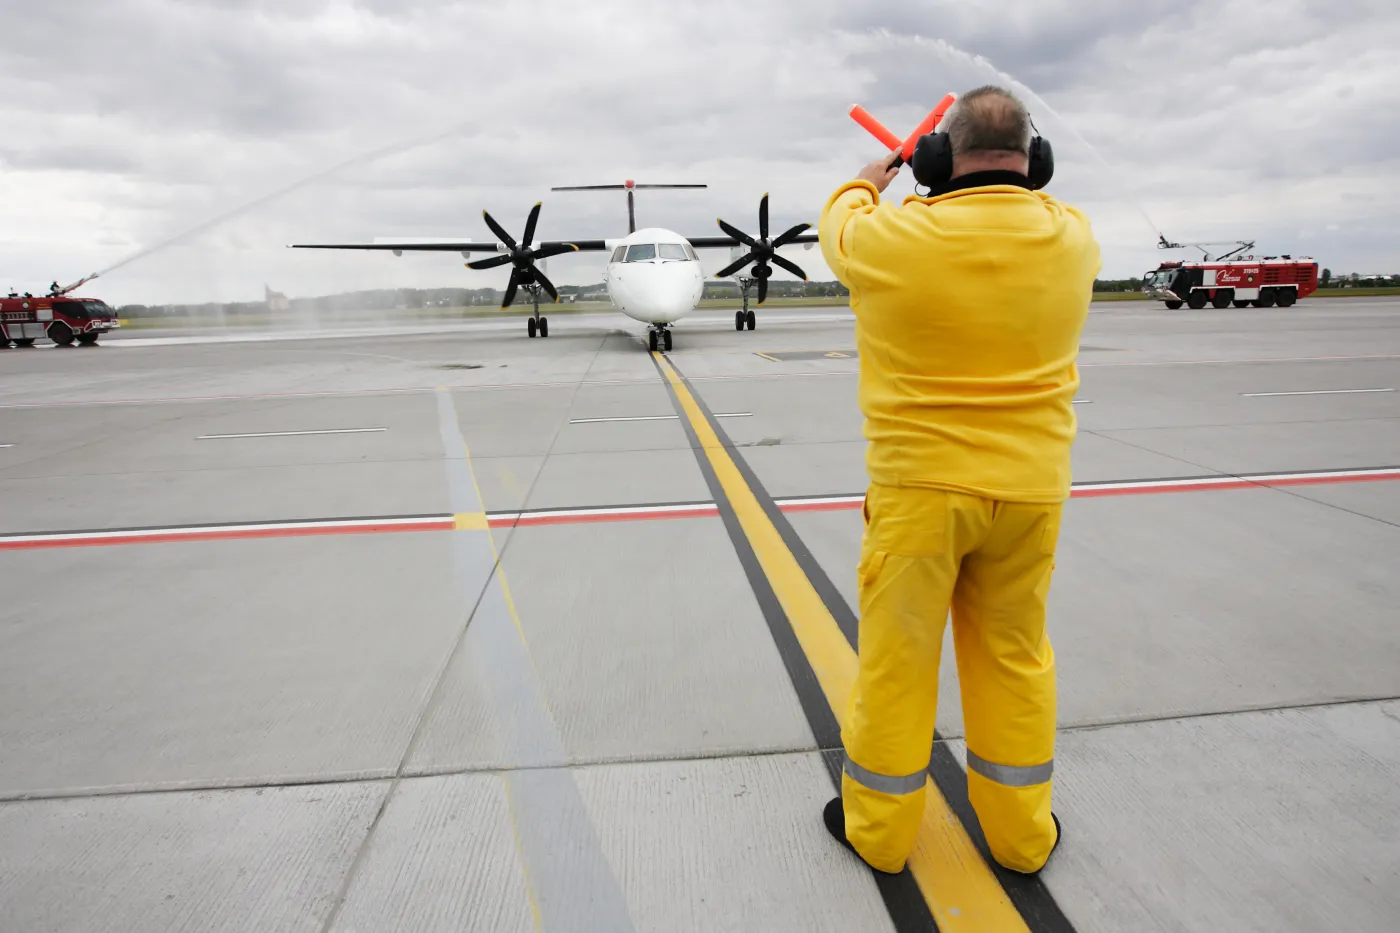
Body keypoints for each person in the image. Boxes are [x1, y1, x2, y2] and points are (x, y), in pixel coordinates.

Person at [816, 85, 1101, 876]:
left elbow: (836, 227)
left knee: (897, 663)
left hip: (922, 494)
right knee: (1014, 658)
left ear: (940, 157)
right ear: (1035, 164)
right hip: (1032, 492)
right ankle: (1021, 837)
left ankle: (878, 832)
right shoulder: (1075, 239)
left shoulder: (890, 240)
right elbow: (1035, 217)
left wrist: (872, 178)